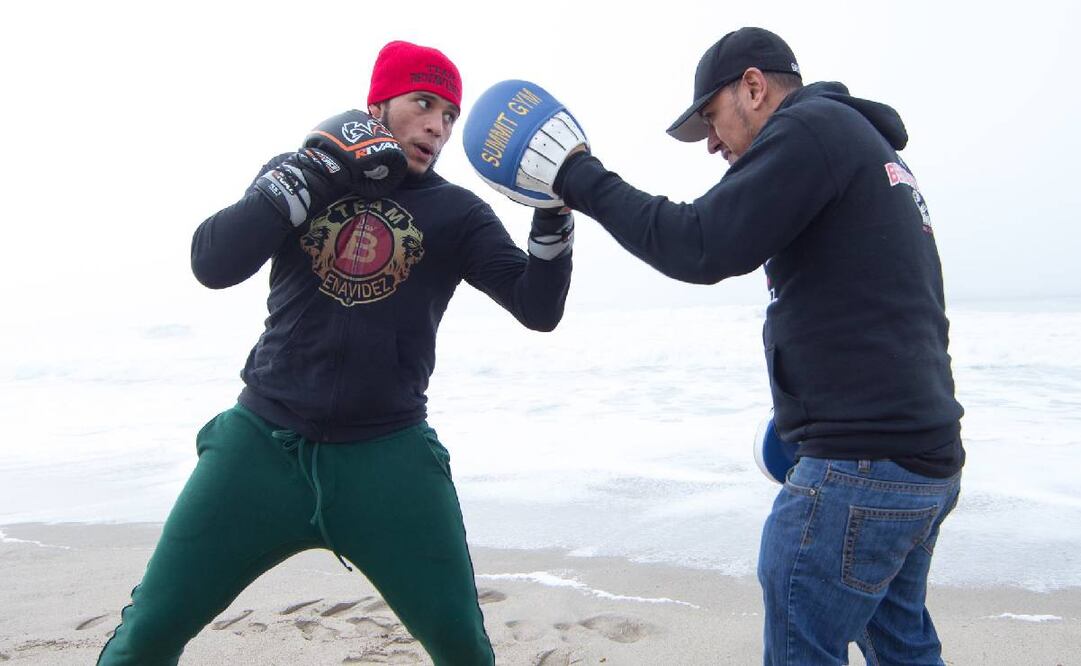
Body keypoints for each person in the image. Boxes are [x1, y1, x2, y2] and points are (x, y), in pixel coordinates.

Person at [97, 40, 574, 666]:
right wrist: (301, 180)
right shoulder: (303, 172)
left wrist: (553, 211)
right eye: (423, 104)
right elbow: (212, 263)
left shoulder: (457, 212)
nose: (437, 125)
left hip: (388, 458)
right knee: (148, 634)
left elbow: (538, 308)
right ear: (378, 107)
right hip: (262, 447)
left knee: (465, 651)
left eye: (450, 116)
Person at [548, 27, 964, 665]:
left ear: (753, 86)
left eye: (712, 119)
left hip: (862, 470)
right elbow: (888, 309)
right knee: (904, 649)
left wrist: (581, 178)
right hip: (920, 459)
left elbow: (699, 243)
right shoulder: (864, 147)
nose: (712, 143)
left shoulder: (810, 131)